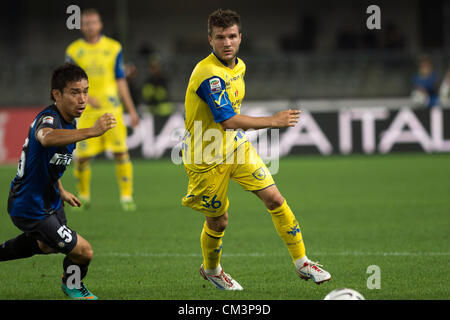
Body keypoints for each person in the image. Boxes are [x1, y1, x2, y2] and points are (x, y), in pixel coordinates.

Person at [181, 9, 331, 291]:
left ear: (240, 37)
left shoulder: (239, 66)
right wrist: (273, 121)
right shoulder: (207, 74)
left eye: (232, 36)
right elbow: (227, 120)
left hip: (236, 147)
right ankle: (212, 270)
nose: (227, 42)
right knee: (219, 220)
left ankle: (302, 262)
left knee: (274, 198)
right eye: (220, 37)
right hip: (206, 157)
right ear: (210, 39)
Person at [0, 63, 117, 299]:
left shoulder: (68, 120)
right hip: (30, 206)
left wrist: (61, 190)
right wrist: (92, 131)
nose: (82, 99)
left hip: (49, 199)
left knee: (46, 245)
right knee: (84, 252)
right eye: (75, 92)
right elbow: (45, 138)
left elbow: (47, 161)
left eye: (85, 91)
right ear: (57, 94)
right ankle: (72, 285)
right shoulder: (49, 119)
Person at [65, 8, 140, 211]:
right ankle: (84, 197)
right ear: (81, 26)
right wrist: (86, 98)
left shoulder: (113, 48)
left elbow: (120, 80)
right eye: (86, 23)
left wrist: (131, 110)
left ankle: (126, 197)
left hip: (111, 109)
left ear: (100, 25)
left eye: (94, 22)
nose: (90, 26)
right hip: (85, 111)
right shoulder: (73, 51)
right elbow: (68, 82)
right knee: (82, 157)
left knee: (121, 152)